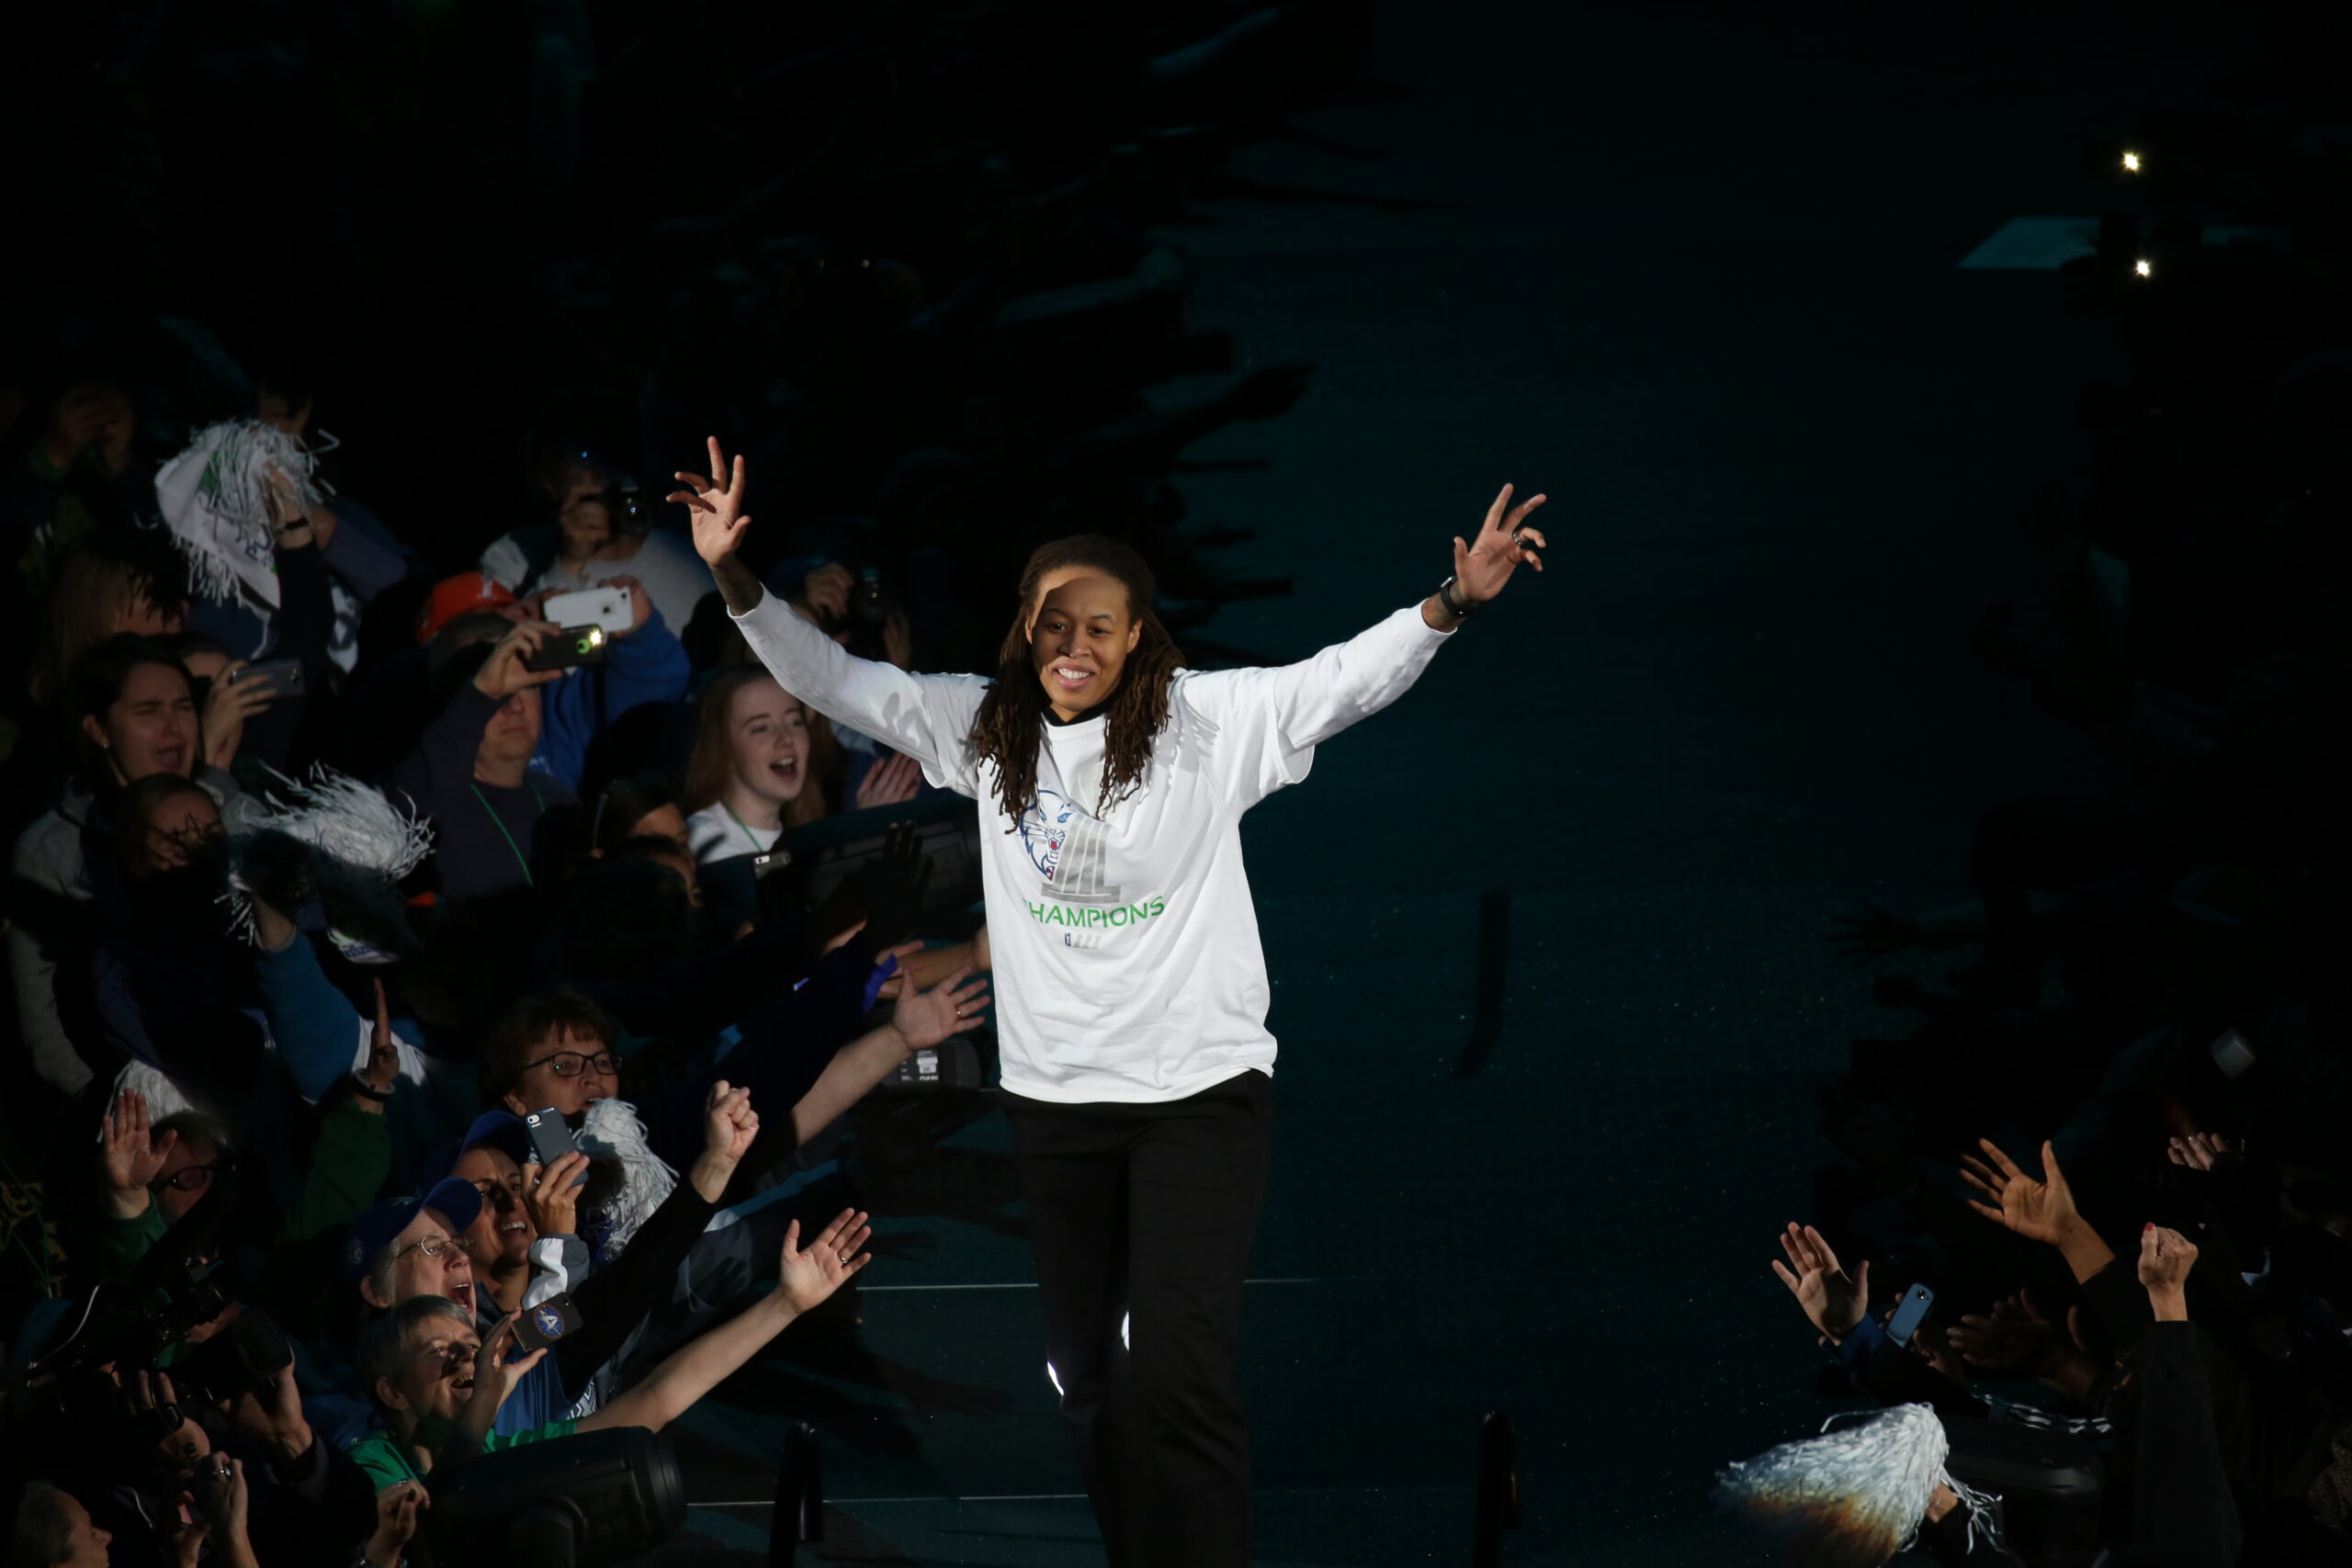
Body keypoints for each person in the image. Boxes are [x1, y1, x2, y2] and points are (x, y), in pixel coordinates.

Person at [674, 435, 1547, 1567]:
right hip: (1057, 1102)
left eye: (1098, 625)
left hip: (1197, 1090)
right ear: (1025, 629)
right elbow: (835, 680)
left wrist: (1449, 604)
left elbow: (1335, 681)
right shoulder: (983, 730)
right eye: (1052, 621)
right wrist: (736, 580)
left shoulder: (1205, 726)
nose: (1073, 645)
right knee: (1086, 1383)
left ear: (1137, 635)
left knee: (1179, 1371)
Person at [345, 1205, 870, 1487]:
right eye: (433, 1249)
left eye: (457, 1243)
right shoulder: (361, 1450)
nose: (456, 1258)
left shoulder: (510, 1343)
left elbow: (602, 1320)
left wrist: (785, 1304)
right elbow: (599, 1308)